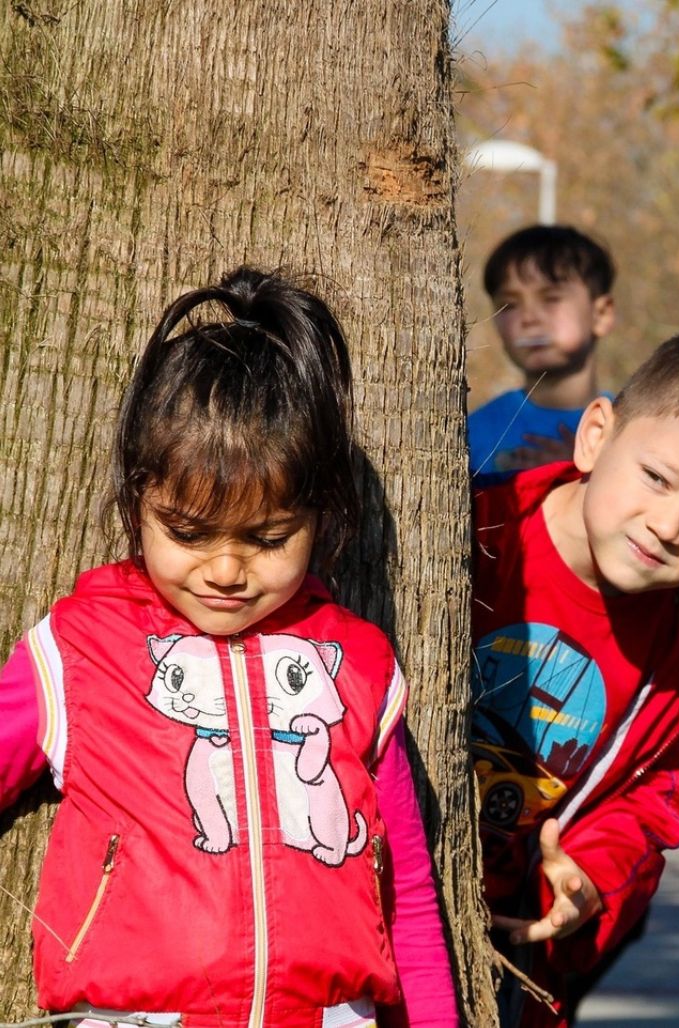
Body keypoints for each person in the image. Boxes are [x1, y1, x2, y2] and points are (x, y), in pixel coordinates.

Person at [0, 268, 457, 1026]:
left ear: (321, 517)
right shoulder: (77, 652)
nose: (224, 571)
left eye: (269, 539)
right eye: (186, 533)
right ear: (135, 501)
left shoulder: (358, 667)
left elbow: (404, 888)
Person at [470, 325, 679, 1026]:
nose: (666, 525)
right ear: (596, 435)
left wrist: (589, 881)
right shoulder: (475, 532)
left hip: (505, 953)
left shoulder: (677, 659)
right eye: (656, 478)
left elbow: (647, 803)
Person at [468, 224, 616, 476]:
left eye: (551, 298)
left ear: (601, 314)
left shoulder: (630, 429)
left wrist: (583, 474)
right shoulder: (472, 434)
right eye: (510, 305)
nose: (528, 318)